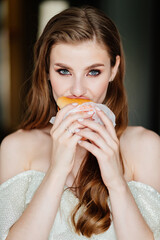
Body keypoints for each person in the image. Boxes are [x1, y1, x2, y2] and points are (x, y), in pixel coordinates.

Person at [0, 5, 160, 240]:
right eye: (64, 71)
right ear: (46, 69)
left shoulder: (147, 146)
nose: (77, 90)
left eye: (93, 72)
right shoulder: (16, 147)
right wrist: (57, 170)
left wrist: (116, 181)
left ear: (113, 69)